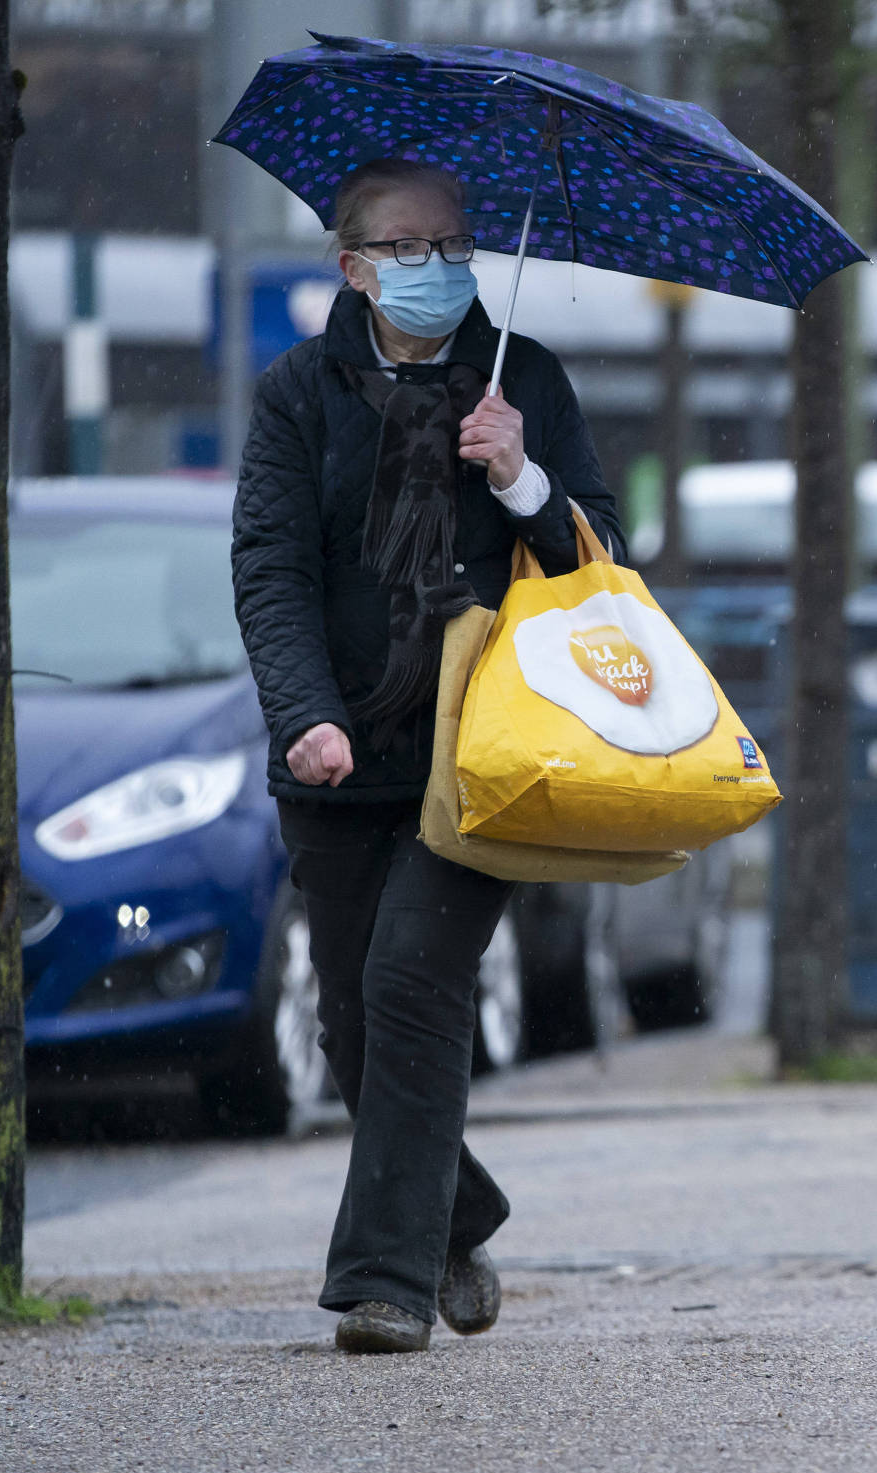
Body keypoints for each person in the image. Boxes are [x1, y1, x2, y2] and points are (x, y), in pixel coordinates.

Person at [232, 158, 624, 1352]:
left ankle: (384, 1284)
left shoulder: (524, 382)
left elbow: (604, 558)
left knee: (413, 981)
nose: (438, 267)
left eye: (453, 244)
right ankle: (460, 1208)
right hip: (342, 750)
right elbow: (272, 567)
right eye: (408, 247)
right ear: (351, 266)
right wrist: (306, 713)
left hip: (485, 752)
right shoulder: (299, 393)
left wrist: (520, 475)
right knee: (353, 1023)